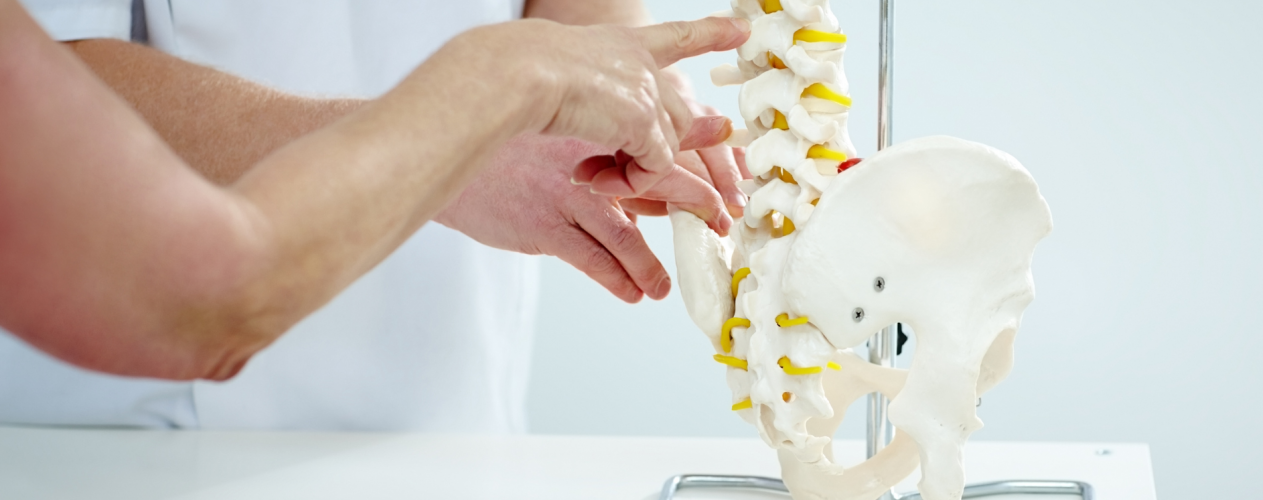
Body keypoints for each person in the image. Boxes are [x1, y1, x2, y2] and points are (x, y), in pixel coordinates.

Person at [0, 0, 749, 431]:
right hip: (135, 430)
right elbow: (43, 82)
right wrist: (464, 130)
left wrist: (622, 92)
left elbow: (577, 24)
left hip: (448, 396)